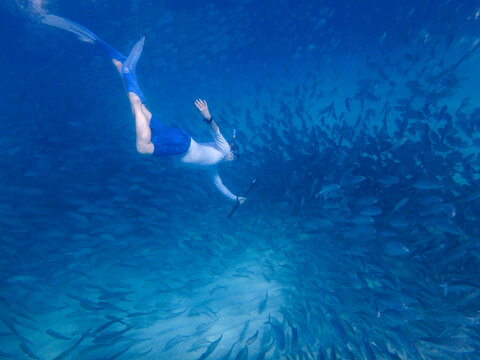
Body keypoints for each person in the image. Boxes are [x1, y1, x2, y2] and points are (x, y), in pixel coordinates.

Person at [41, 15, 246, 205]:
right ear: (233, 153)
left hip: (177, 138)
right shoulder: (224, 150)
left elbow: (219, 186)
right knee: (143, 147)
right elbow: (216, 132)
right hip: (181, 144)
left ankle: (109, 53)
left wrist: (235, 198)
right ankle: (127, 71)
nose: (232, 160)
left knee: (140, 111)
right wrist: (208, 117)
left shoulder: (213, 166)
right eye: (235, 157)